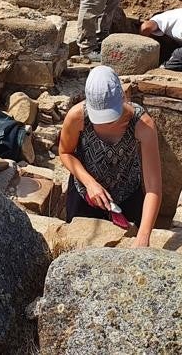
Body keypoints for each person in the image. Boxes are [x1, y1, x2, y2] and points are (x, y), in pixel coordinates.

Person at [58, 66, 162, 246]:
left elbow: (153, 187)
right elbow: (65, 152)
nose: (105, 124)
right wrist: (90, 183)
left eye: (110, 117)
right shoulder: (77, 116)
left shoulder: (142, 124)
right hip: (86, 196)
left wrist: (143, 236)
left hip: (127, 195)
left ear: (122, 98)